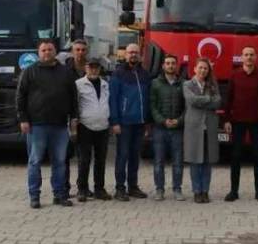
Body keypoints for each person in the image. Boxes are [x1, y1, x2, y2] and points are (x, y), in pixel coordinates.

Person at [16, 39, 78, 209]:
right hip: (36, 126)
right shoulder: (30, 72)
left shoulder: (65, 72)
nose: (47, 53)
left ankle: (59, 195)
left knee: (59, 162)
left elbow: (73, 97)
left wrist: (74, 118)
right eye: (43, 50)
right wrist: (23, 119)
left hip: (59, 126)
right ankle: (34, 196)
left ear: (55, 51)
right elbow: (20, 97)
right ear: (38, 53)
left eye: (50, 50)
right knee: (35, 161)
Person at [223, 46, 258, 203]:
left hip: (257, 122)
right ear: (241, 58)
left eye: (251, 54)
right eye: (246, 55)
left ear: (256, 57)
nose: (249, 57)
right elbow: (228, 99)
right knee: (236, 156)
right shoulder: (235, 75)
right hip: (237, 122)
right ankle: (233, 191)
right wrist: (227, 119)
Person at [109, 43, 151, 202]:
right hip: (124, 123)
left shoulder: (145, 75)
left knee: (135, 156)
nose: (133, 55)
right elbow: (113, 99)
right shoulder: (118, 74)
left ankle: (133, 186)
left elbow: (147, 100)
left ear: (140, 55)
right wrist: (115, 122)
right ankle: (120, 188)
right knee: (123, 155)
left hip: (140, 123)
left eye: (136, 52)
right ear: (125, 55)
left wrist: (147, 121)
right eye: (130, 52)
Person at [184, 58, 222, 203]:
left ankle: (205, 191)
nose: (203, 71)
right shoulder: (187, 84)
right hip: (194, 127)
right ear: (194, 69)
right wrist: (208, 99)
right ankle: (197, 191)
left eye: (205, 68)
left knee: (208, 161)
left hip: (209, 127)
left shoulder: (212, 85)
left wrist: (203, 100)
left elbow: (218, 101)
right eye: (200, 68)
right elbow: (191, 100)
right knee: (195, 161)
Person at [74, 57, 112, 202]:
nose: (94, 70)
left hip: (103, 127)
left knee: (101, 160)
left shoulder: (105, 85)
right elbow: (74, 105)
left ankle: (99, 189)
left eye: (96, 67)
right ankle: (82, 189)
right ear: (85, 68)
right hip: (85, 126)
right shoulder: (78, 84)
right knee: (84, 160)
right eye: (91, 67)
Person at [149, 54, 186, 202]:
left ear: (176, 66)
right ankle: (159, 189)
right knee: (158, 161)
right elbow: (152, 105)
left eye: (173, 63)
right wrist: (163, 121)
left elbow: (187, 107)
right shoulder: (155, 84)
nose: (170, 65)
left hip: (177, 128)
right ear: (163, 66)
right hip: (160, 128)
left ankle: (177, 189)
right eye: (168, 63)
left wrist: (179, 120)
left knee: (178, 161)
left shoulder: (183, 84)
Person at [60, 39, 89, 198]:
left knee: (83, 157)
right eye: (77, 50)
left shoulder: (91, 69)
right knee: (64, 155)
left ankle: (82, 188)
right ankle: (64, 187)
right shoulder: (64, 70)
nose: (80, 52)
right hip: (68, 118)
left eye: (83, 50)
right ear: (72, 52)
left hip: (86, 118)